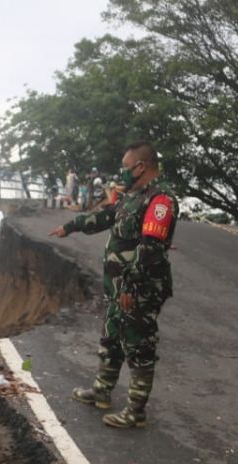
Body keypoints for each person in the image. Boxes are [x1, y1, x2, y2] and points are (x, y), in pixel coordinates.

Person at [49, 141, 177, 428]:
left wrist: (131, 286)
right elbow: (105, 217)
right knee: (112, 337)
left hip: (140, 289)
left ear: (141, 166)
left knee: (139, 344)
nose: (123, 171)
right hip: (118, 287)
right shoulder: (131, 196)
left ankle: (136, 411)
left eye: (126, 166)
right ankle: (102, 391)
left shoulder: (160, 200)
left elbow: (151, 247)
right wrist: (71, 226)